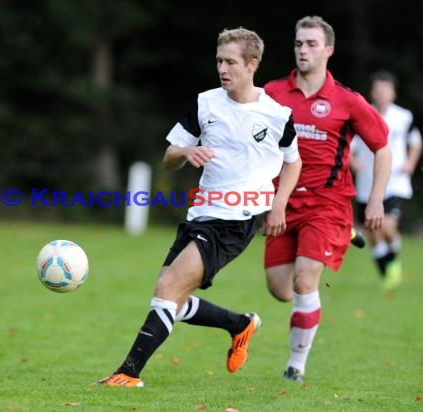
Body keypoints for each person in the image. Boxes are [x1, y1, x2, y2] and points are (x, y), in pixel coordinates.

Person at [97, 27, 302, 387]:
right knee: (170, 294)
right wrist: (186, 152)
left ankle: (128, 373)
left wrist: (279, 205)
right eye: (219, 60)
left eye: (231, 62)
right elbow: (169, 157)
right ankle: (239, 324)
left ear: (252, 65)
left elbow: (293, 161)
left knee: (168, 287)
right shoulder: (205, 103)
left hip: (237, 220)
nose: (222, 68)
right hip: (201, 214)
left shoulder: (277, 115)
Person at [263, 16, 391, 382]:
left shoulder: (347, 101)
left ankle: (295, 366)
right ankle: (344, 234)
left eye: (312, 44)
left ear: (329, 51)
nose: (303, 50)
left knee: (305, 280)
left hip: (328, 203)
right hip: (282, 204)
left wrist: (377, 199)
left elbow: (382, 149)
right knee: (280, 290)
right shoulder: (272, 93)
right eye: (299, 43)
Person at [350, 70, 422, 291]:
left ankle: (391, 260)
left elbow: (416, 142)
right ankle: (388, 269)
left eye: (386, 90)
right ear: (372, 92)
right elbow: (349, 147)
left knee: (387, 225)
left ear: (393, 93)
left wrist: (410, 162)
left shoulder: (404, 117)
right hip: (366, 184)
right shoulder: (362, 114)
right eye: (378, 90)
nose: (381, 94)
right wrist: (354, 163)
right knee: (372, 231)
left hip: (395, 182)